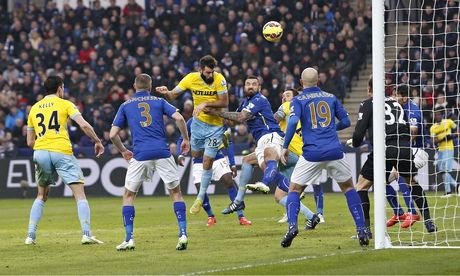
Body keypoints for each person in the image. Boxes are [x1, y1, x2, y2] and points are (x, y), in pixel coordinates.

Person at [280, 67, 366, 248]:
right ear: (318, 80)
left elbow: (293, 122)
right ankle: (361, 229)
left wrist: (285, 146)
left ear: (301, 82)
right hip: (334, 150)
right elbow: (346, 122)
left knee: (294, 190)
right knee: (349, 188)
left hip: (312, 153)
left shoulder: (298, 100)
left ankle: (292, 227)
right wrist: (328, 129)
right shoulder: (331, 97)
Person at [110, 74, 190, 251]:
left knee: (129, 195)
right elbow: (179, 118)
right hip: (162, 151)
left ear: (134, 86)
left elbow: (112, 135)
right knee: (176, 193)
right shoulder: (159, 101)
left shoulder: (125, 105)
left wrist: (123, 151)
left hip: (140, 154)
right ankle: (183, 233)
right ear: (151, 86)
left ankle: (129, 238)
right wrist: (185, 139)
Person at [349, 77, 436, 236]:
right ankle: (429, 221)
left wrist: (355, 142)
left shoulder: (368, 104)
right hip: (403, 147)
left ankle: (365, 230)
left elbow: (359, 132)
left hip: (384, 149)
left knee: (361, 187)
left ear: (369, 89)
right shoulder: (397, 103)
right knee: (411, 182)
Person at [25, 75, 105, 245]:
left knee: (41, 195)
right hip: (61, 150)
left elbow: (29, 141)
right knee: (79, 193)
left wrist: (43, 148)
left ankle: (30, 236)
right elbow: (83, 125)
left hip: (40, 151)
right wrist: (97, 141)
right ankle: (86, 234)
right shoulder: (66, 104)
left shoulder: (34, 108)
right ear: (60, 88)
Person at [207, 76, 298, 220]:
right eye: (248, 84)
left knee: (269, 159)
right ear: (244, 87)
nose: (250, 86)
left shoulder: (259, 100)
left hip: (272, 135)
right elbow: (231, 120)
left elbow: (241, 117)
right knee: (247, 160)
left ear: (259, 88)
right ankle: (239, 201)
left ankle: (265, 183)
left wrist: (216, 112)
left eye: (254, 84)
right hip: (261, 141)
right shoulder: (245, 103)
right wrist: (213, 108)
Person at [155, 55, 229, 215]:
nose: (210, 75)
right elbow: (173, 95)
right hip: (197, 125)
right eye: (207, 72)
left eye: (212, 72)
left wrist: (204, 103)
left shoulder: (220, 79)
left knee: (207, 160)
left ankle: (200, 197)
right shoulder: (190, 78)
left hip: (215, 125)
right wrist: (165, 92)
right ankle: (202, 194)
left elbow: (224, 102)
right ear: (200, 69)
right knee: (196, 155)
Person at [176, 119, 252, 226]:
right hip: (199, 161)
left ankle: (241, 216)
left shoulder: (217, 120)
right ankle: (211, 216)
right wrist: (180, 154)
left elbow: (228, 141)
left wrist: (233, 163)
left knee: (228, 180)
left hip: (217, 157)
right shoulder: (192, 122)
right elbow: (182, 139)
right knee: (199, 187)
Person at [274, 89, 324, 225]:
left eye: (288, 95)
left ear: (295, 97)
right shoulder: (306, 110)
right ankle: (314, 215)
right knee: (283, 194)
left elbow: (275, 118)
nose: (284, 98)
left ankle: (311, 214)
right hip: (308, 154)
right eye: (283, 96)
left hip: (291, 153)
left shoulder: (287, 106)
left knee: (264, 159)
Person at [386, 85, 426, 228]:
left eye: (396, 95)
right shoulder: (397, 109)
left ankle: (412, 212)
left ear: (404, 97)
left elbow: (413, 134)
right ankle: (399, 213)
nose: (394, 98)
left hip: (417, 151)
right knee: (380, 180)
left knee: (400, 174)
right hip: (403, 150)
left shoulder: (412, 110)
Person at [430, 107, 458, 197]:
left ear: (442, 115)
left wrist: (452, 136)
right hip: (440, 150)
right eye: (436, 114)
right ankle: (457, 186)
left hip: (449, 148)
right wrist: (442, 139)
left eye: (439, 114)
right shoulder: (433, 127)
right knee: (442, 171)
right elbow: (433, 140)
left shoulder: (448, 122)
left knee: (445, 170)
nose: (437, 116)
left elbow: (457, 129)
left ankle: (448, 192)